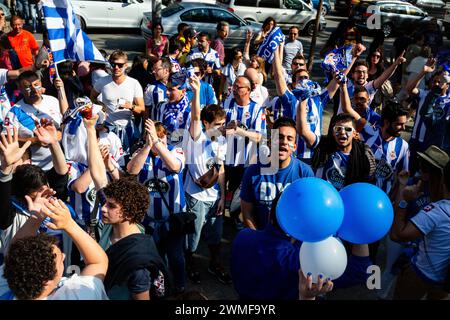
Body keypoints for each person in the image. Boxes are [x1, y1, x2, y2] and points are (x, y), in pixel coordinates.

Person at [83, 114, 170, 300]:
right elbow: (98, 175)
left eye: (111, 205)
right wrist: (90, 129)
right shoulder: (110, 224)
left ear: (129, 211)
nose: (103, 209)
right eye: (106, 203)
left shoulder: (138, 261)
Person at [377, 145, 449, 299]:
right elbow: (396, 212)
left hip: (423, 258)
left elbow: (399, 234)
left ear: (439, 175)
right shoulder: (413, 183)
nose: (422, 169)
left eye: (426, 167)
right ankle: (380, 295)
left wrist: (404, 201)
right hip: (408, 238)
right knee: (390, 269)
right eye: (422, 164)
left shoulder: (440, 199)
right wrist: (403, 188)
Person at [0, 198, 109, 300]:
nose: (64, 256)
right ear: (46, 282)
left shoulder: (4, 287)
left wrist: (36, 219)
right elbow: (98, 263)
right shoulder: (76, 295)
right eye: (59, 258)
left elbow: (13, 253)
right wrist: (69, 224)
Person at [127, 119, 187, 294]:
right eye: (154, 138)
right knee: (155, 257)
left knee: (176, 256)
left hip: (172, 218)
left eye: (161, 139)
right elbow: (131, 171)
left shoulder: (176, 151)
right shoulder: (141, 152)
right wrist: (147, 146)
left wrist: (158, 145)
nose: (157, 142)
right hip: (149, 220)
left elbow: (175, 167)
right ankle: (158, 287)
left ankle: (179, 285)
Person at [183, 76, 230, 285]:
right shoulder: (196, 137)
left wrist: (221, 196)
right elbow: (194, 117)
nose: (221, 128)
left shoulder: (221, 140)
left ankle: (214, 263)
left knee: (215, 235)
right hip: (196, 197)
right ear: (206, 123)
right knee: (192, 237)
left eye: (223, 124)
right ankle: (189, 263)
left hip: (214, 198)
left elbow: (221, 170)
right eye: (217, 125)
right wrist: (196, 92)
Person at [240, 117, 314, 230]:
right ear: (270, 143)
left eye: (289, 139)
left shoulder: (305, 173)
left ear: (294, 147)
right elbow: (247, 213)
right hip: (261, 238)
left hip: (292, 240)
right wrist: (259, 238)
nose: (284, 142)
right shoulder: (252, 171)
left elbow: (308, 213)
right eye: (279, 137)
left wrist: (293, 243)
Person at [341, 84, 410, 197]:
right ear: (387, 122)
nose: (403, 128)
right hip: (359, 194)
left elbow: (402, 178)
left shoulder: (403, 146)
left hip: (383, 201)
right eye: (399, 124)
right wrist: (343, 85)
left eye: (404, 124)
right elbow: (347, 109)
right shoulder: (368, 131)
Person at [222, 75, 266, 228]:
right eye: (234, 86)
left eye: (238, 87)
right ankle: (219, 219)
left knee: (240, 197)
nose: (234, 89)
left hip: (245, 161)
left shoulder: (256, 109)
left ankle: (237, 221)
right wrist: (224, 129)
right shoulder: (227, 104)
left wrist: (241, 132)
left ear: (248, 90)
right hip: (225, 159)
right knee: (221, 192)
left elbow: (260, 136)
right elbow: (216, 128)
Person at [5, 70, 62, 171]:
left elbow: (63, 126)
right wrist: (33, 141)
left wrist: (59, 133)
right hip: (36, 168)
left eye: (36, 84)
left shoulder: (53, 101)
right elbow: (6, 140)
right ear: (20, 88)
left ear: (41, 83)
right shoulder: (14, 112)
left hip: (60, 162)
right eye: (27, 87)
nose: (34, 90)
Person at [90, 50, 145, 156]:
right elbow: (92, 97)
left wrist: (131, 106)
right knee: (107, 158)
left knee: (127, 159)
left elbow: (141, 109)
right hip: (107, 128)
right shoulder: (102, 81)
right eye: (113, 64)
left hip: (127, 128)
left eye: (120, 65)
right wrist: (100, 108)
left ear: (126, 66)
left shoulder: (134, 83)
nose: (116, 68)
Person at [309, 111, 376, 190]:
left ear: (354, 134)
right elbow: (303, 131)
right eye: (338, 129)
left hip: (349, 198)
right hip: (323, 197)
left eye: (348, 129)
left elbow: (368, 183)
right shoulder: (323, 146)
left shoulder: (364, 154)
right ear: (333, 132)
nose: (342, 132)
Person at [406, 59, 450, 164]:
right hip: (414, 140)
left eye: (440, 82)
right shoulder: (424, 94)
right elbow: (409, 89)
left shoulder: (448, 102)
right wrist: (423, 72)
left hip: (431, 145)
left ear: (447, 85)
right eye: (434, 81)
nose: (436, 84)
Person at [153, 71, 190, 147]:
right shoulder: (161, 107)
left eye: (171, 89)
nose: (167, 92)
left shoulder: (189, 111)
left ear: (183, 91)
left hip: (184, 153)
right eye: (167, 88)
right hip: (164, 151)